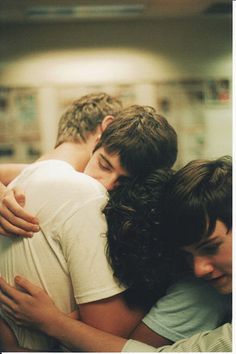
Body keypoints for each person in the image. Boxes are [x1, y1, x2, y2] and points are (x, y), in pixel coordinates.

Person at [0, 157, 232, 352]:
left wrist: (50, 325)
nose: (198, 269)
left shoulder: (201, 295)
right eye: (187, 256)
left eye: (211, 247)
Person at [0, 99, 178, 351]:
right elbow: (107, 331)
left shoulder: (33, 176)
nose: (105, 184)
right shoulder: (84, 191)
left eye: (124, 183)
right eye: (103, 164)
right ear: (101, 134)